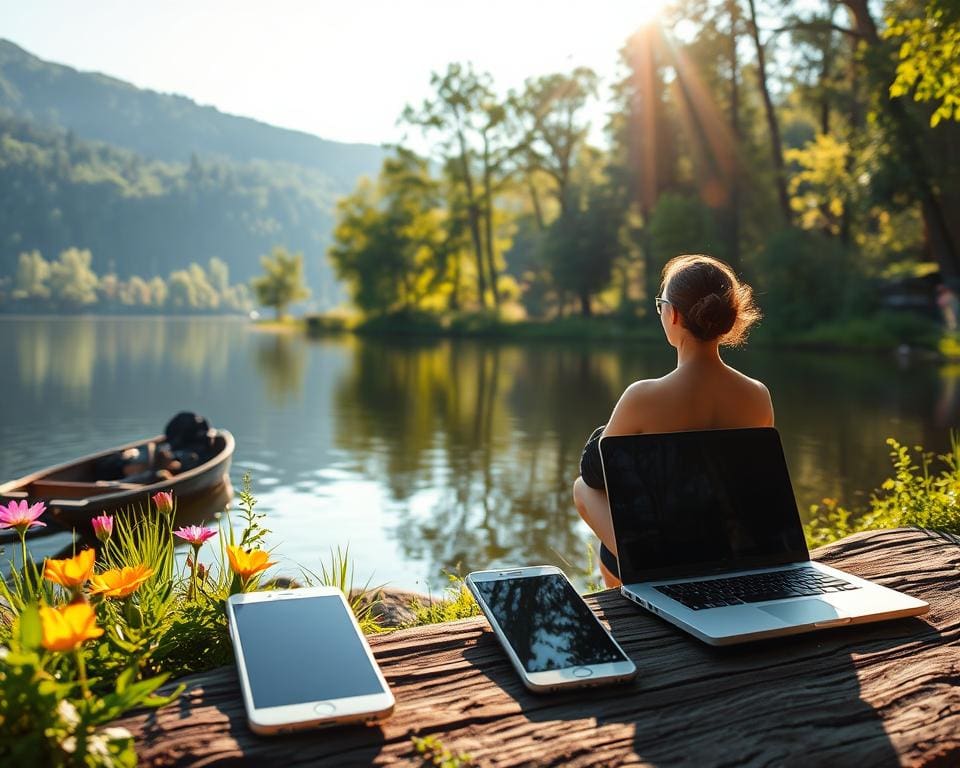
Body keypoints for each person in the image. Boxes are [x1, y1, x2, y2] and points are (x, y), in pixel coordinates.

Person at [573, 254, 774, 588]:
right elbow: (754, 487)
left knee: (581, 488)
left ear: (674, 314)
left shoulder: (644, 396)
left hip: (662, 556)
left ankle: (641, 588)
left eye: (660, 304)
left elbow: (593, 473)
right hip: (729, 552)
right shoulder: (757, 395)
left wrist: (603, 433)